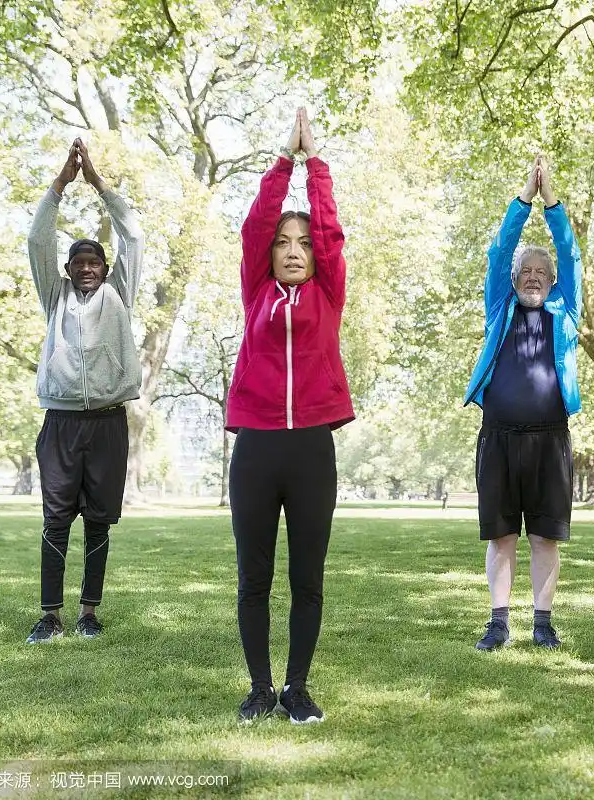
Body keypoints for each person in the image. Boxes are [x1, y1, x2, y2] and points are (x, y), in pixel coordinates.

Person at [227, 108, 354, 724]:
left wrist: (317, 163)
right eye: (285, 242)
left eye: (303, 243)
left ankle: (297, 689)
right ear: (269, 254)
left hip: (311, 449)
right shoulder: (256, 290)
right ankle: (258, 688)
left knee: (307, 578)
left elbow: (331, 233)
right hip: (255, 447)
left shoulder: (328, 293)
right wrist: (285, 162)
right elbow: (255, 224)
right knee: (254, 577)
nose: (295, 250)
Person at [25, 139, 143, 644]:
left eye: (96, 260)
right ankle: (50, 615)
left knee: (98, 523)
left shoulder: (120, 295)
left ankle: (88, 612)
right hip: (61, 422)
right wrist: (60, 184)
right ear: (68, 270)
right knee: (56, 521)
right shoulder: (55, 298)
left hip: (108, 423)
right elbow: (37, 239)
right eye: (79, 261)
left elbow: (132, 236)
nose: (89, 266)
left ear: (107, 268)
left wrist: (97, 183)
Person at [464, 155, 583, 651]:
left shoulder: (565, 308)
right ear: (514, 281)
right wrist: (524, 199)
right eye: (525, 271)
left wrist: (551, 203)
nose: (533, 276)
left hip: (549, 439)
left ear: (553, 282)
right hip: (499, 438)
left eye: (542, 271)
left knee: (544, 537)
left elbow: (571, 255)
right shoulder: (500, 307)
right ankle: (497, 622)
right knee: (502, 536)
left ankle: (542, 622)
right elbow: (499, 251)